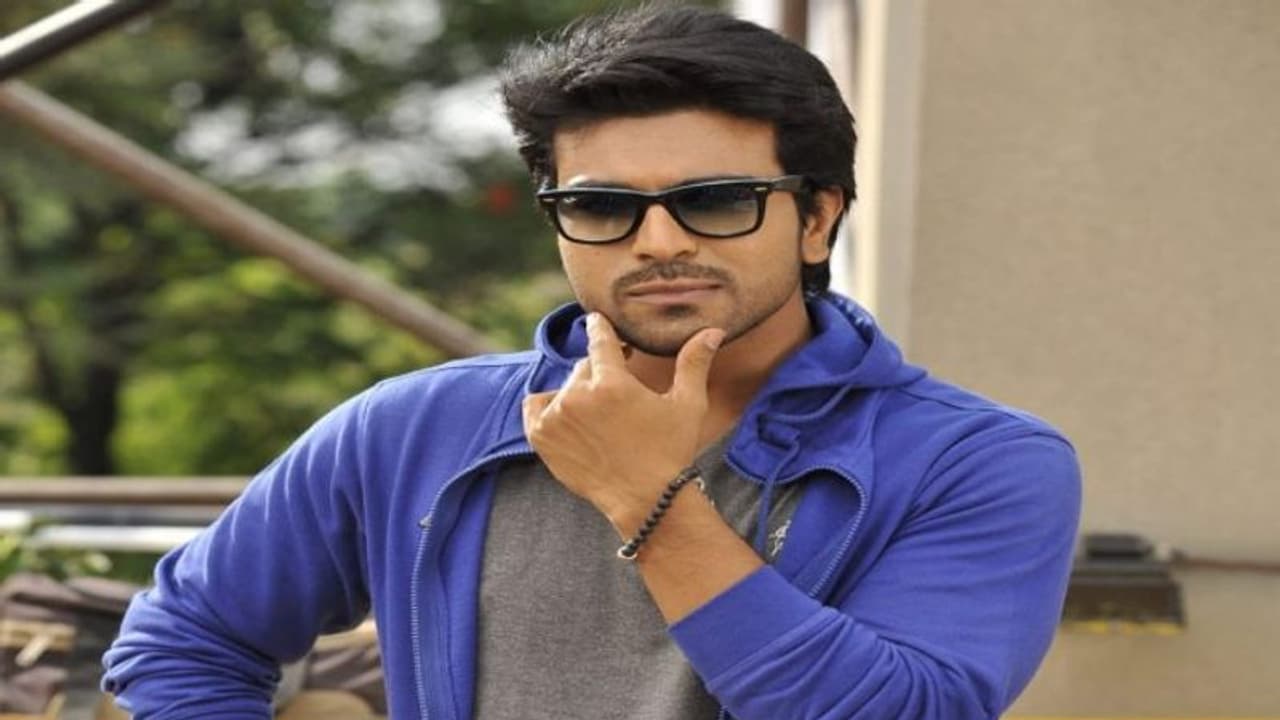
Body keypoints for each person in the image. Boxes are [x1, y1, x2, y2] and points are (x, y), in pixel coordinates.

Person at [102, 5, 1081, 719]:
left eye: (714, 199)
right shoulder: (413, 428)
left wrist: (647, 497)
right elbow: (186, 637)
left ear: (817, 218)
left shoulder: (976, 462)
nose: (657, 242)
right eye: (602, 206)